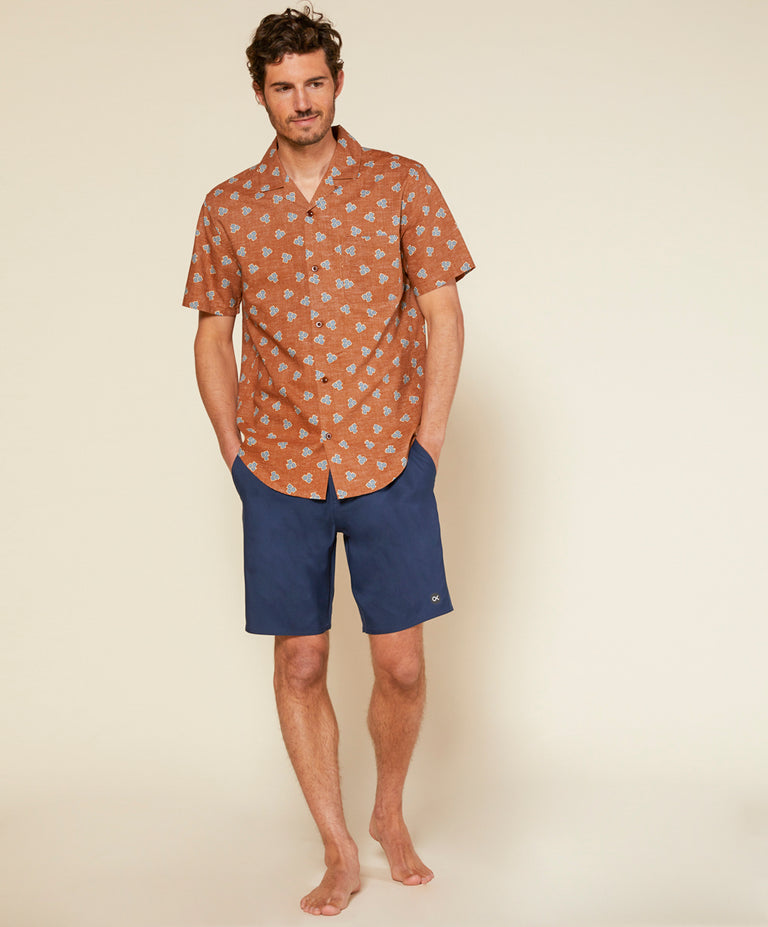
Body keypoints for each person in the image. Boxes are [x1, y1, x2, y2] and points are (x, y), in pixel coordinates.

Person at [182, 5, 474, 917]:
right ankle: (339, 847)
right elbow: (213, 333)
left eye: (315, 82)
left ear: (337, 84)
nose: (302, 101)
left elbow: (443, 312)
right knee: (302, 662)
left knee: (403, 667)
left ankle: (388, 810)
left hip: (390, 461)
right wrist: (235, 455)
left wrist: (428, 447)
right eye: (284, 87)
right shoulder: (228, 205)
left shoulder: (401, 183)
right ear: (260, 94)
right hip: (278, 469)